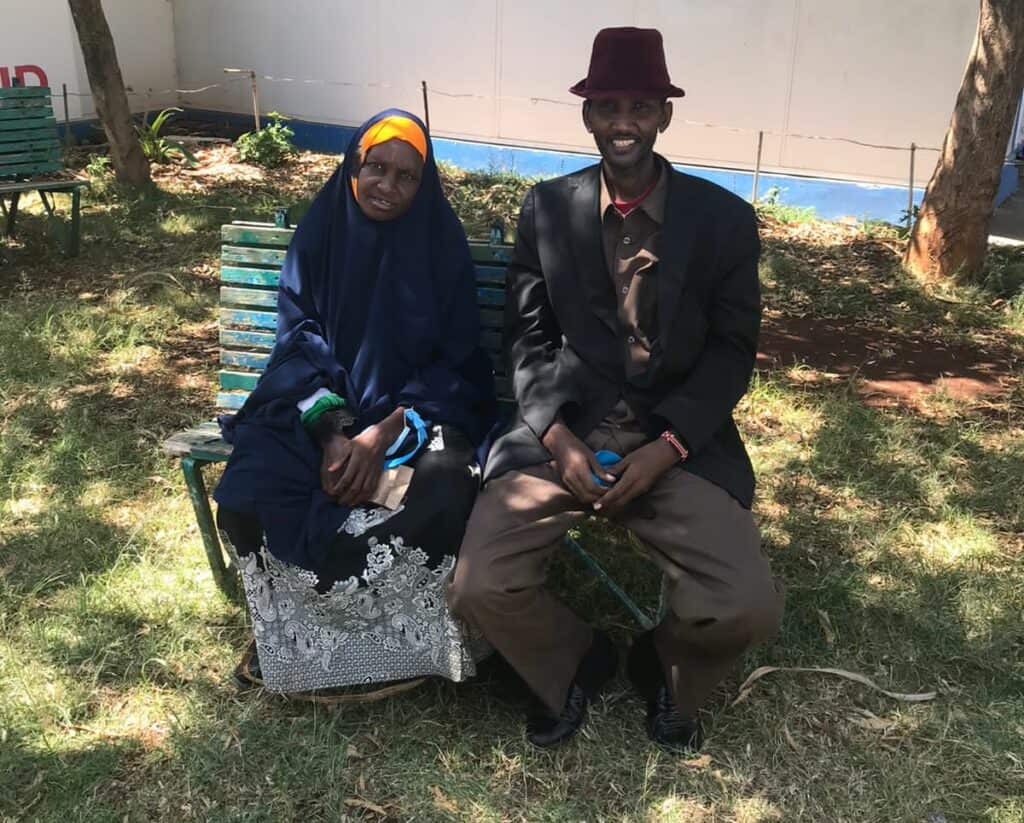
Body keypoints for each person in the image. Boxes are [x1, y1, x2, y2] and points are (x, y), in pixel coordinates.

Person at [448, 28, 784, 752]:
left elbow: (731, 352)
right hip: (568, 434)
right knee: (478, 585)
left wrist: (668, 447)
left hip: (674, 443)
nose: (622, 121)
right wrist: (556, 437)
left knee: (745, 605)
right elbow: (527, 341)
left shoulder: (723, 222)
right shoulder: (546, 210)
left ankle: (661, 666)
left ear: (664, 115)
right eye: (607, 106)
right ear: (587, 116)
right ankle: (575, 660)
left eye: (639, 105)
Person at [214, 109, 497, 693]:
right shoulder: (322, 235)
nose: (388, 186)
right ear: (352, 167)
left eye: (406, 176)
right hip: (324, 409)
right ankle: (298, 636)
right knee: (249, 487)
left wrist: (388, 429)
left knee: (445, 491)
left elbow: (457, 361)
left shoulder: (439, 248)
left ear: (425, 185)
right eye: (377, 168)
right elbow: (297, 339)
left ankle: (400, 646)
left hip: (418, 414)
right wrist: (332, 430)